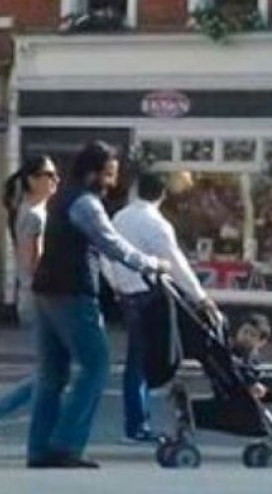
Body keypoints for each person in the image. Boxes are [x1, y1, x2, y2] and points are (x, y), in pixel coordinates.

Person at [27, 141, 170, 469]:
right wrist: (150, 264)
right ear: (92, 172)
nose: (111, 182)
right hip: (73, 292)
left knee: (52, 374)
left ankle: (39, 449)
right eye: (108, 174)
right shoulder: (86, 204)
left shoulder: (61, 199)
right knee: (96, 366)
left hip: (45, 290)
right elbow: (111, 244)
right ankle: (66, 445)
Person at [103, 173, 217, 442]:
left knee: (136, 360)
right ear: (163, 196)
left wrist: (115, 283)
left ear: (136, 189)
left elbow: (105, 253)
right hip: (150, 295)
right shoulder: (156, 223)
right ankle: (138, 424)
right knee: (158, 354)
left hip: (127, 293)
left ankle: (136, 420)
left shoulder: (119, 218)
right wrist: (199, 297)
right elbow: (175, 263)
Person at [0, 154, 60, 453]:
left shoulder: (35, 212)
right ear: (33, 180)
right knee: (53, 372)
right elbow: (31, 263)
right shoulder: (33, 215)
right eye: (49, 175)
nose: (55, 181)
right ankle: (0, 418)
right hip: (38, 299)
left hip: (38, 298)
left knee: (53, 371)